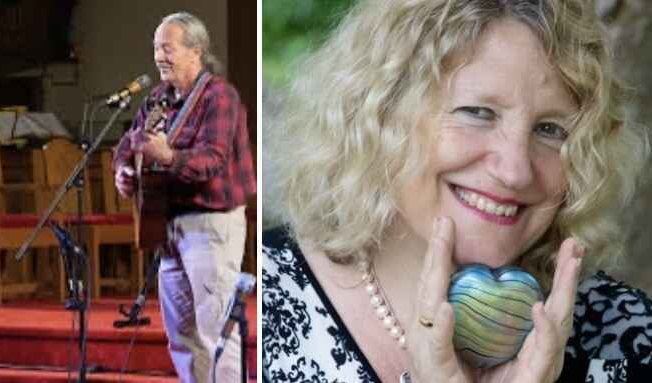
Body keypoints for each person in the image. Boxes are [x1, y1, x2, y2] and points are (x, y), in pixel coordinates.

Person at [264, 1, 652, 382]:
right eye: (478, 113)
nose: (515, 170)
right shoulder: (242, 302)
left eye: (550, 130)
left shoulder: (627, 337)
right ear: (382, 112)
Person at [112, 12, 256, 383]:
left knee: (216, 331)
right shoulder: (159, 98)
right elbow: (128, 144)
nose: (159, 55)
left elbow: (211, 161)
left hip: (210, 225)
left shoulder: (219, 97)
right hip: (168, 227)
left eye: (167, 47)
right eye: (156, 48)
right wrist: (124, 171)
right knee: (181, 335)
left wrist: (168, 156)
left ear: (196, 51)